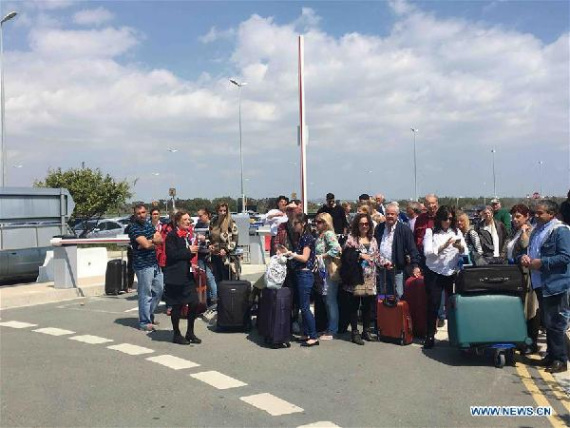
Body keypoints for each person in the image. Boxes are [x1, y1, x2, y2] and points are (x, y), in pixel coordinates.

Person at [521, 200, 570, 373]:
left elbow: (565, 257)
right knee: (548, 323)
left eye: (540, 213)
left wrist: (542, 263)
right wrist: (525, 258)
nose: (536, 215)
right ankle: (551, 355)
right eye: (536, 212)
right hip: (540, 283)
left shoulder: (560, 231)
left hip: (555, 284)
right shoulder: (538, 230)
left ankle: (560, 360)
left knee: (556, 323)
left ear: (551, 214)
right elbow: (530, 250)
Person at [422, 206, 466, 349]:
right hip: (434, 271)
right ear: (439, 218)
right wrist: (444, 245)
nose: (448, 221)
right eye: (445, 218)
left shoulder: (457, 232)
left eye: (451, 219)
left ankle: (456, 335)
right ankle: (430, 335)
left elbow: (465, 251)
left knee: (454, 305)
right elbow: (428, 253)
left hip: (451, 272)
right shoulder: (431, 232)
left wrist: (459, 248)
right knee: (433, 304)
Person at [343, 213, 384, 345]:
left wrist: (386, 263)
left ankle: (366, 331)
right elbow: (345, 256)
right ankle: (354, 332)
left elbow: (377, 256)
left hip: (370, 276)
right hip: (356, 277)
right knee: (354, 306)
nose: (364, 226)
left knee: (367, 306)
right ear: (357, 225)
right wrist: (360, 255)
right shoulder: (351, 239)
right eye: (361, 224)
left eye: (366, 224)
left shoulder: (373, 240)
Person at [163, 211, 202, 345]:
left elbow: (189, 253)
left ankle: (190, 332)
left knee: (194, 303)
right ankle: (176, 334)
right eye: (185, 219)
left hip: (187, 274)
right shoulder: (171, 236)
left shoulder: (188, 235)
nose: (188, 221)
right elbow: (171, 254)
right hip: (175, 276)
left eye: (189, 219)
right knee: (177, 306)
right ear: (178, 221)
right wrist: (188, 251)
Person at [507, 204, 539, 354]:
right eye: (513, 216)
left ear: (527, 216)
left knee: (530, 309)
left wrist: (525, 231)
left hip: (527, 275)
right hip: (515, 273)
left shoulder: (529, 231)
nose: (514, 219)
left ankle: (531, 343)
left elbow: (526, 245)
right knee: (520, 309)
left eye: (518, 216)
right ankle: (520, 339)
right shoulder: (515, 231)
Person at [127, 204, 164, 331]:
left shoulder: (149, 225)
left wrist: (149, 242)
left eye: (143, 212)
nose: (141, 215)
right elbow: (147, 245)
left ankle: (149, 314)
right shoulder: (133, 228)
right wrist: (150, 243)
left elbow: (159, 240)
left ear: (146, 212)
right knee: (145, 293)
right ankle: (144, 321)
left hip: (154, 263)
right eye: (138, 213)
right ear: (135, 215)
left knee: (159, 290)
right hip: (142, 266)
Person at [285, 213, 319, 347]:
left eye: (296, 224)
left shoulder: (307, 238)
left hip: (305, 274)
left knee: (305, 307)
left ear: (303, 223)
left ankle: (313, 335)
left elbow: (305, 258)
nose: (294, 226)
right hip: (301, 274)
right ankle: (306, 333)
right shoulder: (302, 238)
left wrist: (292, 254)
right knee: (302, 305)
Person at [374, 202, 421, 298]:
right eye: (388, 214)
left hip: (398, 269)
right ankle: (386, 313)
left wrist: (415, 265)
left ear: (397, 215)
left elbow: (412, 248)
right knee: (384, 295)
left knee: (399, 294)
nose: (390, 216)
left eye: (392, 214)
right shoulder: (379, 228)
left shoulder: (404, 229)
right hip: (383, 269)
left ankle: (399, 313)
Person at [314, 213, 342, 340]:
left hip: (329, 270)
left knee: (330, 300)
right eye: (316, 221)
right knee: (326, 300)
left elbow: (337, 249)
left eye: (319, 222)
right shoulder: (319, 235)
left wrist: (323, 256)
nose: (316, 223)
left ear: (326, 223)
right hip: (321, 270)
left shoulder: (328, 234)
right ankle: (329, 327)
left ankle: (332, 329)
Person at [209, 203, 239, 283]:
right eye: (220, 211)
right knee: (216, 279)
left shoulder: (231, 223)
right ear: (217, 211)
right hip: (215, 255)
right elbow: (208, 236)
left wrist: (226, 249)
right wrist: (209, 245)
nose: (223, 213)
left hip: (227, 257)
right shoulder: (213, 221)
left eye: (224, 211)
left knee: (227, 280)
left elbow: (235, 240)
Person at [195, 208, 218, 306]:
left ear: (207, 215)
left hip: (209, 254)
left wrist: (204, 239)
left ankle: (214, 298)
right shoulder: (197, 225)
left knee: (209, 276)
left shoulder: (211, 225)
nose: (199, 218)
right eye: (198, 216)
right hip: (199, 253)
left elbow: (215, 239)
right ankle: (206, 299)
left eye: (200, 216)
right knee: (202, 277)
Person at [414, 193, 439, 259]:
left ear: (437, 203)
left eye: (433, 203)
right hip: (423, 256)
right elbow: (416, 237)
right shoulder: (420, 219)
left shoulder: (443, 218)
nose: (431, 206)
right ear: (425, 205)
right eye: (428, 204)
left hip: (439, 256)